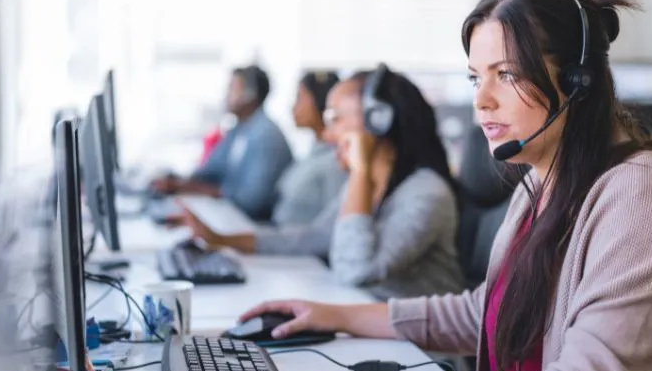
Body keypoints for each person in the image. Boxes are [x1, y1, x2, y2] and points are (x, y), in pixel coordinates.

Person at [238, 0, 652, 371]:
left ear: (578, 82)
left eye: (506, 74)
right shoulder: (542, 184)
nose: (481, 102)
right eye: (475, 78)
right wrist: (337, 317)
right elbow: (483, 312)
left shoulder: (643, 197)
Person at [182, 65, 465, 300]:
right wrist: (221, 239)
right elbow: (314, 237)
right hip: (369, 330)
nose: (328, 135)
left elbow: (357, 270)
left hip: (424, 357)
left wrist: (359, 171)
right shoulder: (372, 185)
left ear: (379, 121)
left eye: (336, 119)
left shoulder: (426, 193)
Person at [151, 65, 293, 221]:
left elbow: (252, 201)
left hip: (252, 224)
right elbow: (209, 172)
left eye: (232, 89)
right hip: (231, 214)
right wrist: (177, 182)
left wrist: (191, 189)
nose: (225, 95)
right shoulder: (238, 129)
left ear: (249, 95)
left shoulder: (266, 135)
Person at [272, 71, 347, 226]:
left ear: (321, 102)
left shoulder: (337, 161)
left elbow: (331, 229)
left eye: (300, 99)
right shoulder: (313, 152)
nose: (293, 107)